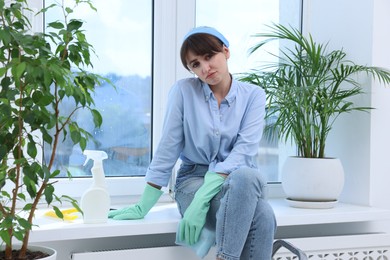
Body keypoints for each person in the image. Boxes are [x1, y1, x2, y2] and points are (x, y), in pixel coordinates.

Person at [108, 26, 276, 260]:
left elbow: (244, 152)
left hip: (237, 183)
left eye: (209, 57)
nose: (205, 68)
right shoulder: (183, 91)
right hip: (192, 180)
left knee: (246, 175)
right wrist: (143, 204)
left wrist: (204, 197)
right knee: (263, 213)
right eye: (195, 64)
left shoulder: (253, 95)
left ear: (225, 51)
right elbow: (168, 147)